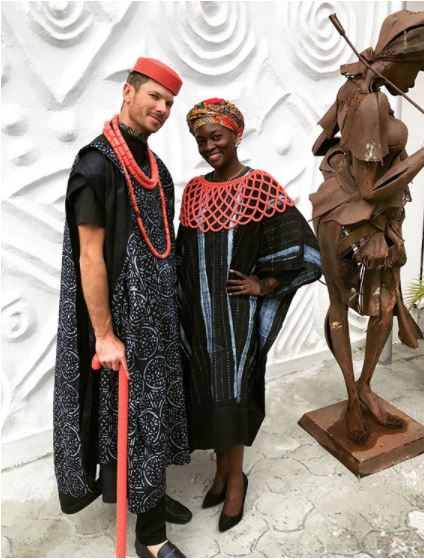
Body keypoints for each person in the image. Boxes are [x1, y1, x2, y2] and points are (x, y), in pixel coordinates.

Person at [53, 57, 193, 558]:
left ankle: (148, 492)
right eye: (155, 96)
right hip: (123, 325)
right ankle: (150, 535)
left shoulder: (158, 171)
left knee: (156, 415)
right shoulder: (94, 166)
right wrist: (105, 336)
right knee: (133, 420)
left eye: (170, 102)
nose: (162, 108)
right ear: (128, 92)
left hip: (158, 319)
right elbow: (90, 256)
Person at [311, 10, 424, 443]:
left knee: (384, 306)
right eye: (417, 69)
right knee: (341, 305)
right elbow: (371, 188)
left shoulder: (358, 86)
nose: (417, 80)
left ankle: (365, 387)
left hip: (378, 219)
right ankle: (351, 395)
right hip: (347, 220)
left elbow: (322, 144)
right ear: (399, 58)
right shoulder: (369, 101)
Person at [177, 98, 322, 531]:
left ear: (236, 134)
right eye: (201, 140)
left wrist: (265, 284)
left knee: (232, 394)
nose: (209, 146)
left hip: (236, 317)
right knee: (210, 395)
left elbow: (302, 246)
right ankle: (222, 472)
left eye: (216, 136)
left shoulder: (259, 186)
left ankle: (236, 479)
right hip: (199, 318)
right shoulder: (194, 190)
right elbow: (184, 255)